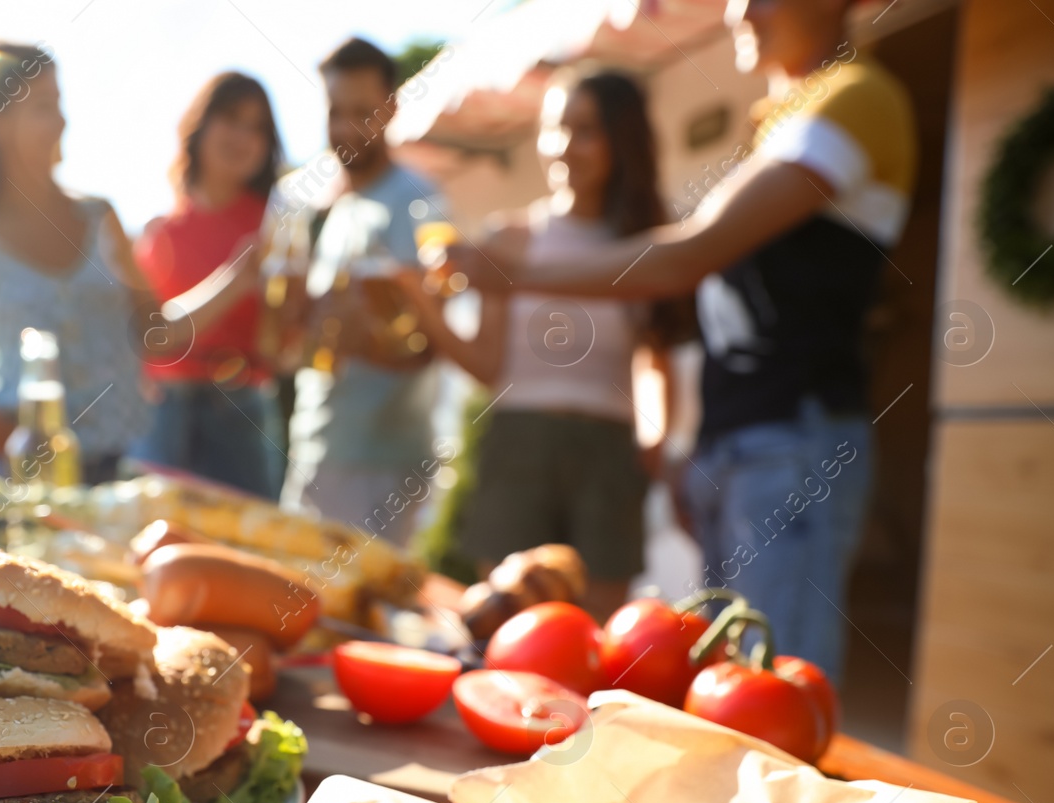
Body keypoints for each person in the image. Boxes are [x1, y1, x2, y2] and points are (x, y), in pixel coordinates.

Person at [449, 0, 915, 684]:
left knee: (767, 692)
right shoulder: (782, 121)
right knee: (725, 687)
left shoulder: (855, 99)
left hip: (793, 441)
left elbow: (684, 257)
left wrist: (512, 274)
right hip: (744, 442)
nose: (740, 12)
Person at [407, 70, 686, 621]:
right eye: (556, 127)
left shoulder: (645, 240)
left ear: (621, 140)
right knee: (509, 621)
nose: (563, 146)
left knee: (604, 624)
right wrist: (423, 307)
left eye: (586, 130)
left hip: (610, 448)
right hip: (519, 442)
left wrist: (656, 440)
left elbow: (656, 356)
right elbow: (487, 365)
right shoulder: (509, 239)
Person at [0, 43, 258, 485]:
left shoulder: (100, 218)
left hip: (115, 471)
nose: (63, 121)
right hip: (14, 474)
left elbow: (155, 332)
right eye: (44, 107)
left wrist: (238, 278)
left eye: (60, 104)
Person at [273, 37, 450, 545]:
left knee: (348, 619)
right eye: (335, 111)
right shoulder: (339, 209)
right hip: (321, 448)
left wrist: (349, 332)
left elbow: (429, 341)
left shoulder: (417, 200)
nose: (345, 129)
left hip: (378, 464)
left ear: (391, 109)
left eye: (361, 112)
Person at [130, 72, 285, 498]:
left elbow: (283, 344)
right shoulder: (160, 233)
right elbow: (152, 337)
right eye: (232, 118)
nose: (243, 136)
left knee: (247, 545)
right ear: (201, 125)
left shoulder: (277, 226)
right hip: (165, 408)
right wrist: (234, 282)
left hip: (243, 409)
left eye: (257, 128)